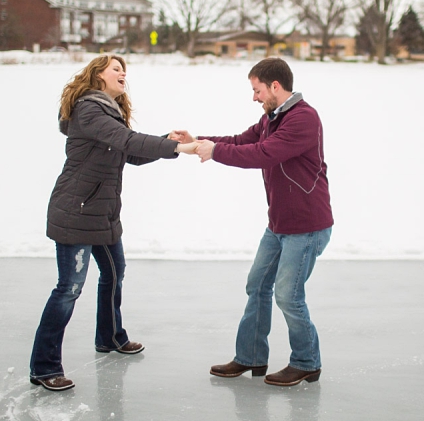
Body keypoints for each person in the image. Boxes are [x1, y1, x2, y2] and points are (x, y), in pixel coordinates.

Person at [30, 54, 198, 392]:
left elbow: (130, 154)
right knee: (69, 289)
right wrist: (179, 148)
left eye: (125, 69)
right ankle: (44, 367)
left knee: (113, 272)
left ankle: (109, 337)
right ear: (98, 76)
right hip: (76, 212)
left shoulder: (110, 112)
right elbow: (129, 142)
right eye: (116, 68)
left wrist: (168, 139)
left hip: (101, 212)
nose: (123, 73)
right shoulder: (90, 109)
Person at [170, 57, 333, 387]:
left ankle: (307, 362)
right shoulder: (272, 118)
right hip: (279, 224)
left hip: (307, 226)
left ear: (275, 86)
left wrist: (213, 152)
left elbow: (263, 154)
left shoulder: (303, 119)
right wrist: (197, 141)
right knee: (257, 285)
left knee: (288, 295)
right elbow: (241, 141)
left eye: (257, 90)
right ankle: (251, 357)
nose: (254, 98)